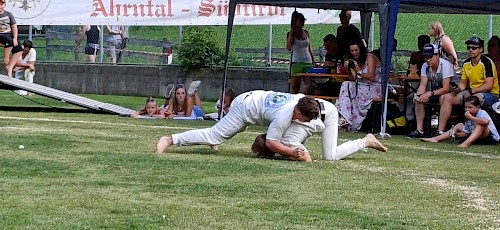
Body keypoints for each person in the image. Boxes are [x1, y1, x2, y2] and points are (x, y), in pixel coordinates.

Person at [156, 91, 321, 160]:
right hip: (243, 109)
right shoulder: (283, 117)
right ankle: (170, 139)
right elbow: (271, 143)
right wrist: (292, 151)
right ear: (299, 113)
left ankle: (215, 140)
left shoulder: (299, 98)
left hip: (250, 97)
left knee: (220, 134)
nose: (305, 123)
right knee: (214, 135)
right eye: (305, 120)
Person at [437, 36, 499, 135]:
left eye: (474, 48)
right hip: (472, 92)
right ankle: (440, 131)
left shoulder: (487, 62)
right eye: (469, 47)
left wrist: (471, 91)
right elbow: (463, 83)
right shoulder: (466, 63)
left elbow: (489, 85)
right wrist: (457, 89)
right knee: (446, 97)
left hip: (491, 94)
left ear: (481, 49)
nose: (470, 50)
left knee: (474, 99)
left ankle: (471, 129)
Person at [251, 121, 388, 162]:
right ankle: (365, 141)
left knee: (330, 156)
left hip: (325, 117)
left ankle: (365, 141)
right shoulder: (278, 130)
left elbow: (306, 158)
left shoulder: (286, 141)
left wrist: (289, 155)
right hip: (320, 113)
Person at [407, 44, 454, 138]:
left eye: (430, 57)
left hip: (451, 92)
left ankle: (440, 130)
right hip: (435, 92)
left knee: (443, 98)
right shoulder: (425, 66)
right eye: (426, 57)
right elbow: (423, 84)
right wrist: (419, 94)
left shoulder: (445, 65)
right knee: (418, 99)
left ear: (437, 55)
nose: (428, 60)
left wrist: (429, 93)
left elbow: (446, 88)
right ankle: (419, 130)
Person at [337, 40, 382, 131]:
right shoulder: (354, 61)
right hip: (361, 86)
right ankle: (345, 118)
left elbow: (371, 77)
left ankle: (346, 119)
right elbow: (353, 79)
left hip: (375, 87)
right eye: (352, 51)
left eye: (356, 50)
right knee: (346, 85)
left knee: (348, 88)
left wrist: (358, 72)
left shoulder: (370, 57)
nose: (354, 53)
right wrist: (349, 69)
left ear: (361, 49)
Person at [421, 96, 499, 147]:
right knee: (459, 125)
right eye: (466, 107)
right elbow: (468, 131)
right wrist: (458, 134)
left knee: (481, 124)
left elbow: (485, 122)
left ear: (478, 107)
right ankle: (436, 138)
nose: (467, 109)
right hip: (478, 137)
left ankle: (466, 143)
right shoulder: (467, 116)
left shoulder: (481, 113)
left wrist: (471, 118)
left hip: (490, 138)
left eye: (470, 107)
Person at [286, 11, 314, 94]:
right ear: (295, 21)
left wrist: (313, 60)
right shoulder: (291, 33)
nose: (302, 22)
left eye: (303, 20)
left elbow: (309, 48)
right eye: (301, 20)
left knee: (309, 84)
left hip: (307, 62)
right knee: (295, 87)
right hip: (296, 62)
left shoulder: (306, 32)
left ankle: (305, 99)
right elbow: (288, 48)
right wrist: (291, 34)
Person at [0, 0, 23, 77]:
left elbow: (14, 26)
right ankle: (6, 58)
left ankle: (10, 66)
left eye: (1, 4)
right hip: (1, 34)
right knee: (8, 41)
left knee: (19, 48)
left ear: (4, 5)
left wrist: (15, 38)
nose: (0, 6)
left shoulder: (8, 14)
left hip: (9, 33)